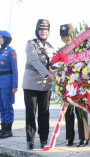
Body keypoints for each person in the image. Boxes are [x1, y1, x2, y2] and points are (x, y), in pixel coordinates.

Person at [22, 19, 56, 150]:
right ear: (37, 30)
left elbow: (53, 66)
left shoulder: (51, 47)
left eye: (46, 30)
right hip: (31, 83)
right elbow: (35, 62)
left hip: (45, 85)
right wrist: (49, 74)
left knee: (44, 112)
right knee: (31, 112)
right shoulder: (31, 44)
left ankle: (43, 139)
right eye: (41, 29)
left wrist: (58, 75)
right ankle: (30, 139)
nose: (43, 32)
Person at [60, 24, 89, 147]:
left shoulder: (80, 48)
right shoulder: (61, 51)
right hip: (66, 86)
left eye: (68, 35)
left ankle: (84, 138)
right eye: (63, 36)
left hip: (79, 85)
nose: (66, 38)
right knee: (68, 113)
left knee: (81, 111)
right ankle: (69, 138)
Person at [0, 31, 18, 139]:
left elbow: (14, 70)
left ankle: (8, 129)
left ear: (6, 39)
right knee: (1, 106)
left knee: (7, 106)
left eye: (0, 37)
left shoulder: (11, 52)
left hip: (7, 82)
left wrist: (14, 85)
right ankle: (3, 128)